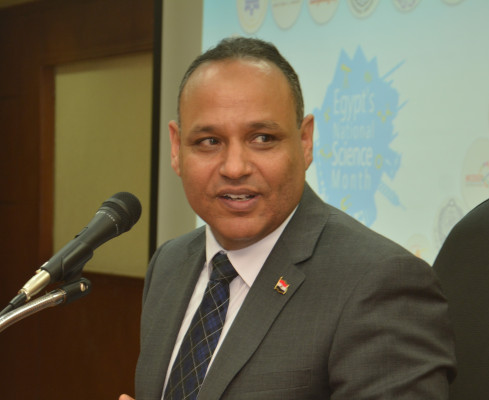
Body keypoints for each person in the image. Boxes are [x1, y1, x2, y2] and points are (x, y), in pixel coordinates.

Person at [121, 36, 456, 400]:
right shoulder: (169, 264)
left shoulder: (380, 283)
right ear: (176, 148)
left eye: (262, 138)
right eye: (209, 141)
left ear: (305, 141)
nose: (234, 167)